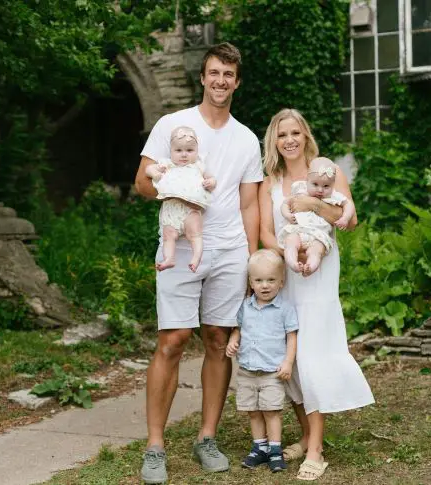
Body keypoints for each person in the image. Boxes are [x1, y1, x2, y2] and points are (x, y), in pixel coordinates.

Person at [133, 42, 263, 484]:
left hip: (227, 250)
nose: (220, 81)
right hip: (181, 247)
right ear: (203, 78)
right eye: (213, 73)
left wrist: (252, 258)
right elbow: (141, 183)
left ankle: (206, 437)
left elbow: (249, 206)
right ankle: (155, 446)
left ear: (237, 82)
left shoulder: (246, 138)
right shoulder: (174, 124)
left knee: (216, 339)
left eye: (228, 74)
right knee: (173, 339)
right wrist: (176, 186)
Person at [258, 108, 375, 481]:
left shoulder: (327, 171)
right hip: (285, 272)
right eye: (282, 135)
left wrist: (312, 205)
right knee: (287, 356)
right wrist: (284, 258)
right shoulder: (270, 182)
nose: (289, 140)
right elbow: (264, 232)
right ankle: (307, 433)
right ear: (274, 142)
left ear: (305, 135)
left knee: (311, 353)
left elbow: (350, 220)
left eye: (295, 132)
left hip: (319, 273)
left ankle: (316, 449)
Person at [225, 249, 298, 473]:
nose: (265, 285)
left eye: (271, 280)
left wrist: (288, 362)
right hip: (247, 370)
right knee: (253, 411)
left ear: (281, 282)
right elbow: (239, 329)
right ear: (251, 282)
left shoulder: (284, 308)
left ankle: (275, 450)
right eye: (259, 280)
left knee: (271, 410)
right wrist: (233, 340)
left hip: (271, 371)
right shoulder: (245, 307)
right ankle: (260, 448)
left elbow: (292, 336)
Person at [146, 126, 217, 272]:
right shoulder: (167, 164)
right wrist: (155, 173)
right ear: (171, 151)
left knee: (195, 234)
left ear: (196, 151)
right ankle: (169, 258)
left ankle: (196, 257)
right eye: (178, 150)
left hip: (192, 209)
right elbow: (148, 169)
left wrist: (210, 183)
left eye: (189, 151)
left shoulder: (198, 165)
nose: (184, 155)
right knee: (168, 236)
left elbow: (212, 178)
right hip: (171, 210)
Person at [278, 156, 355, 275]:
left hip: (319, 235)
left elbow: (349, 205)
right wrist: (287, 214)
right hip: (298, 229)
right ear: (307, 179)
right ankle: (293, 263)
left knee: (316, 251)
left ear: (332, 185)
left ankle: (310, 267)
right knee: (290, 243)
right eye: (315, 184)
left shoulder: (333, 196)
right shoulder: (301, 189)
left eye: (326, 186)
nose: (320, 190)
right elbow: (285, 203)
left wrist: (345, 218)